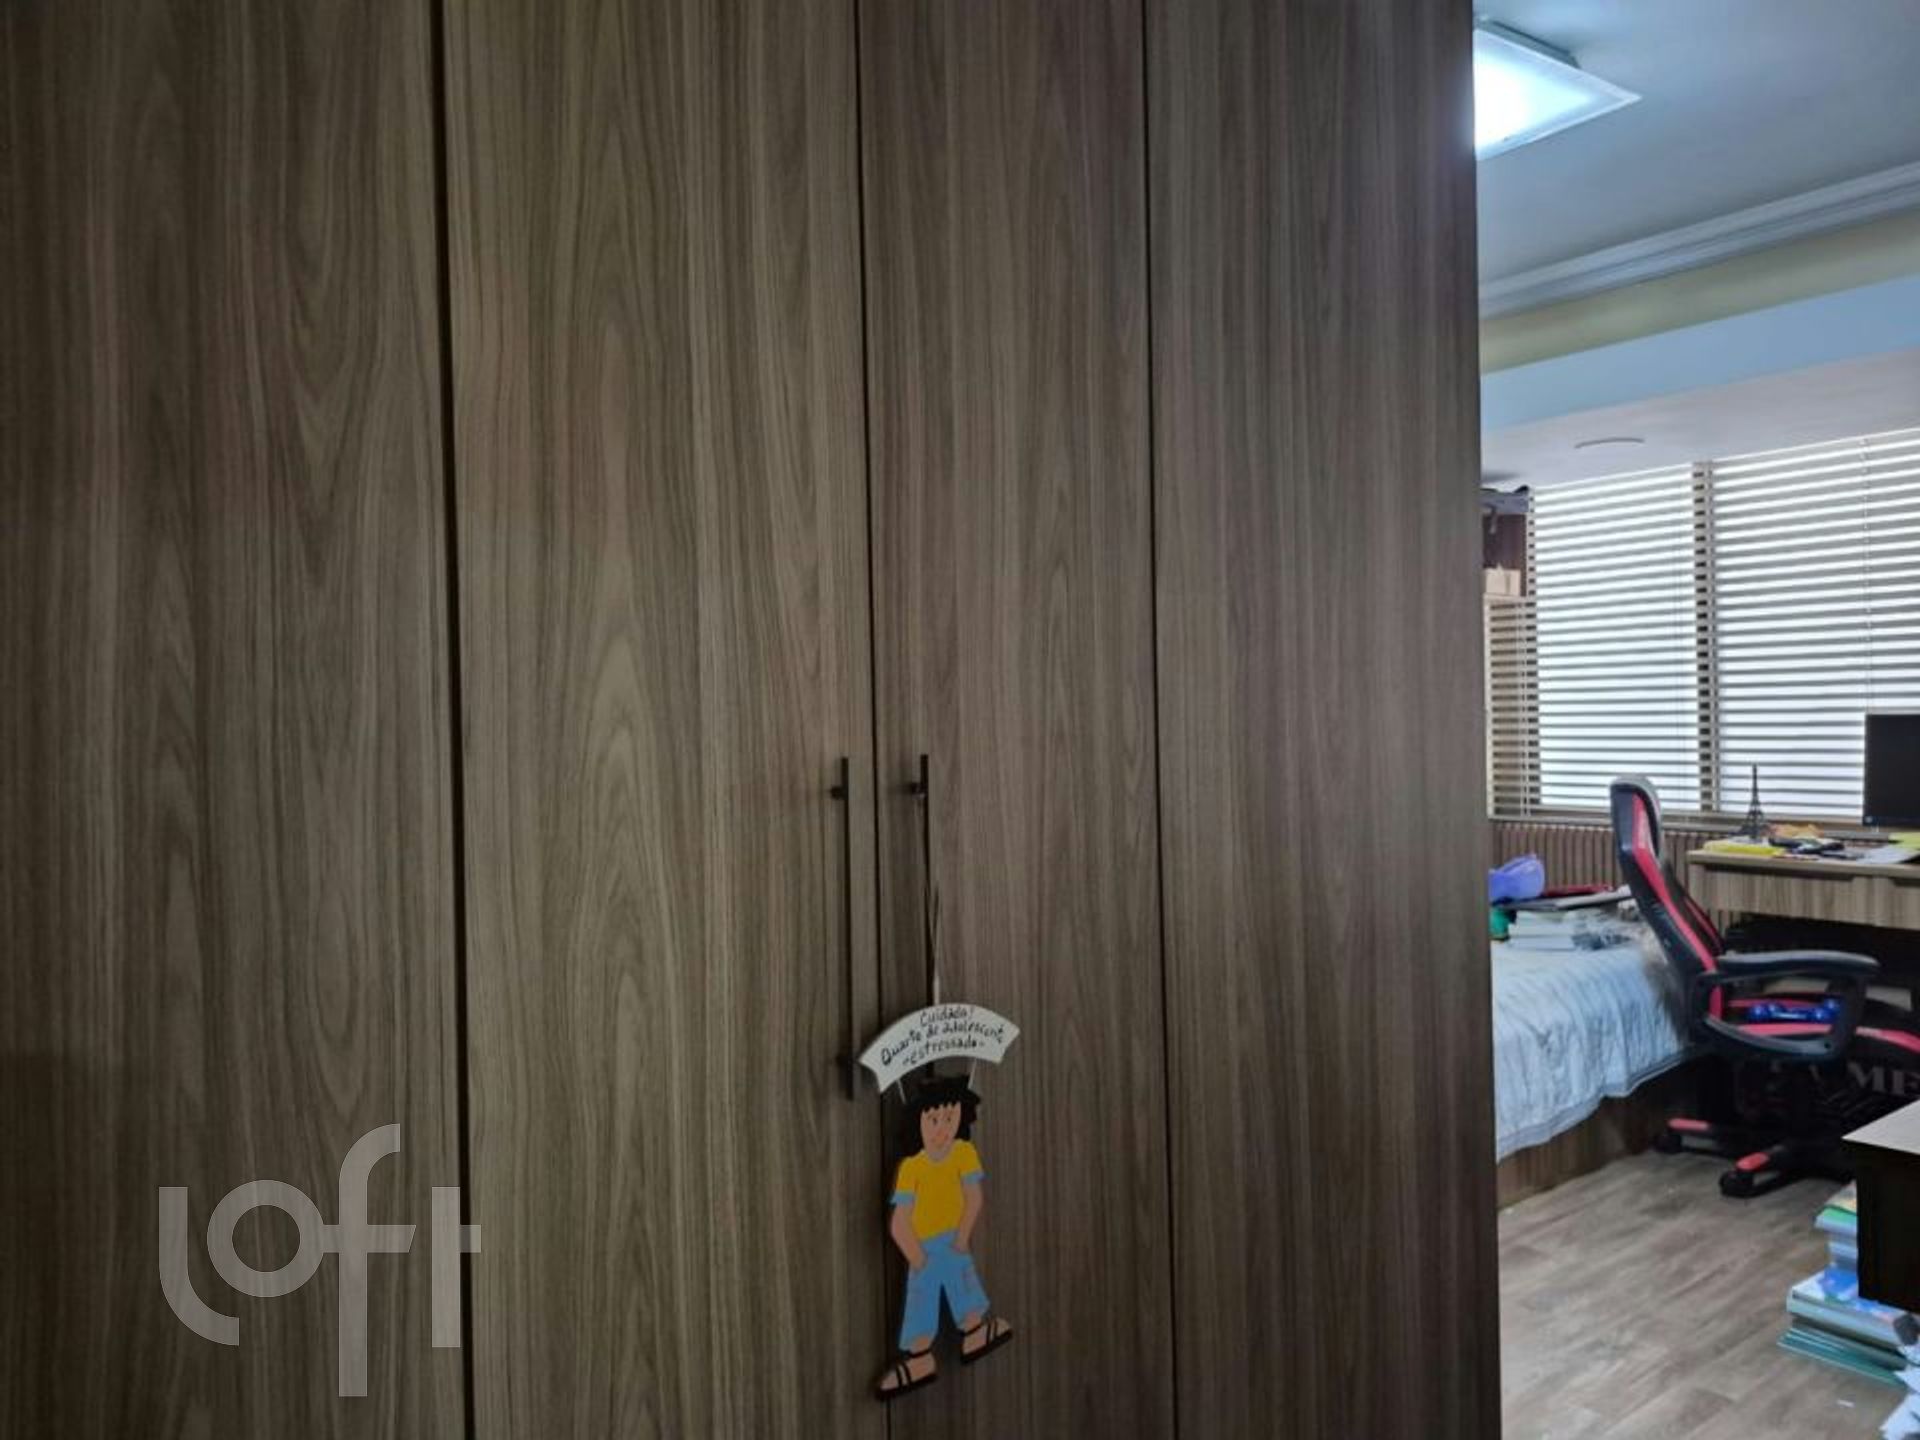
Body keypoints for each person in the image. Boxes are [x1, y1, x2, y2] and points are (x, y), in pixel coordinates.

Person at [874, 1074, 1014, 1399]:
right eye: (934, 1120)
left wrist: (962, 1237)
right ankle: (920, 1359)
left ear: (962, 1117)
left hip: (953, 1240)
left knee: (964, 1287)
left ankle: (974, 1333)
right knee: (920, 1303)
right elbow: (899, 1221)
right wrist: (917, 1257)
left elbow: (974, 1197)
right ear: (918, 1122)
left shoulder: (963, 1153)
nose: (942, 1129)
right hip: (922, 1247)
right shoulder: (912, 1167)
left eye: (949, 1118)